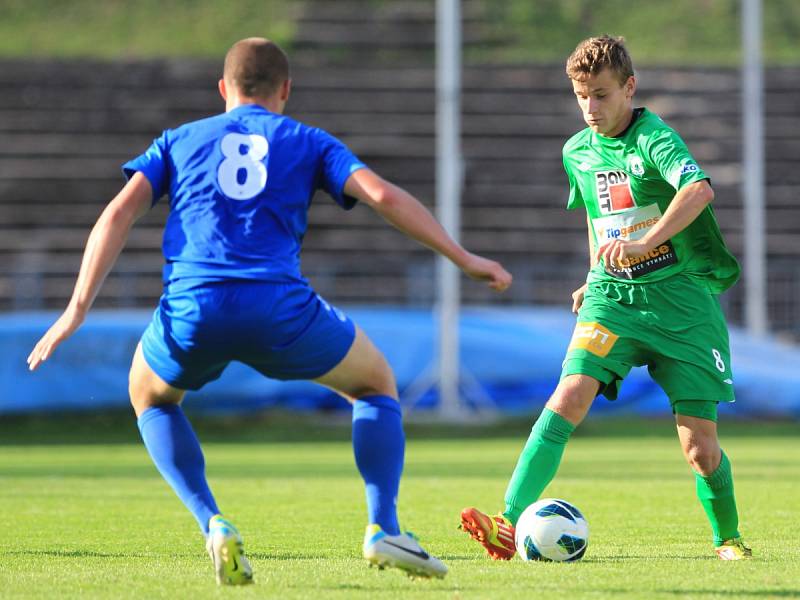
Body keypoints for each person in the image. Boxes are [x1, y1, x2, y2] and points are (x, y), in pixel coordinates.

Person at [27, 37, 512, 585]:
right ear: (285, 89)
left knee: (151, 397)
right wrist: (464, 258)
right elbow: (383, 197)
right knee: (375, 383)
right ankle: (384, 527)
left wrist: (76, 309)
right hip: (279, 308)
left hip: (194, 307)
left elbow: (117, 215)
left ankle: (212, 522)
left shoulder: (179, 140)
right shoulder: (308, 140)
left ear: (223, 89)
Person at [460, 35, 751, 562]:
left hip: (682, 307)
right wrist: (593, 274)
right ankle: (506, 523)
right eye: (581, 96)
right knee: (569, 394)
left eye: (601, 94)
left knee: (698, 447)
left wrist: (646, 241)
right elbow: (600, 219)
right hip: (613, 300)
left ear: (629, 88)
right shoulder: (577, 151)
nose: (590, 108)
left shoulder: (654, 138)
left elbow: (699, 191)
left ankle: (728, 539)